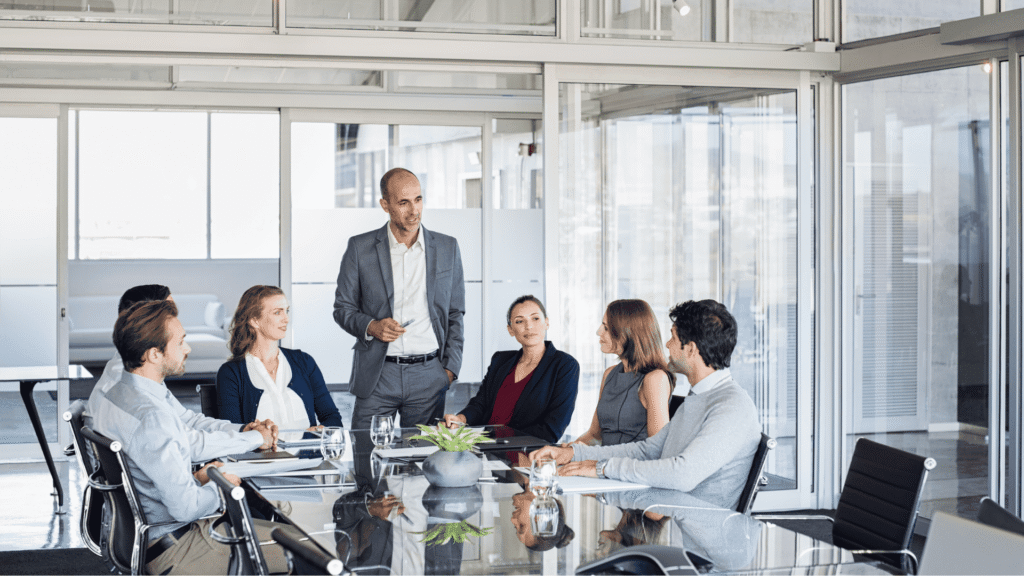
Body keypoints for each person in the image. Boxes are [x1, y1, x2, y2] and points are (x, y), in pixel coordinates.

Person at [88, 299, 287, 574]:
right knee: (304, 547)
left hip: (147, 539)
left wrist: (201, 476)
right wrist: (223, 486)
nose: (188, 348)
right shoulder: (152, 416)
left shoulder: (119, 394)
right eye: (181, 342)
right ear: (154, 354)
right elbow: (186, 508)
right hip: (180, 549)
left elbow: (158, 461)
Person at [529, 299, 761, 511]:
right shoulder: (698, 397)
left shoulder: (732, 405)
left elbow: (683, 474)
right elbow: (649, 449)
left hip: (699, 541)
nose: (667, 345)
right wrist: (574, 454)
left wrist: (602, 468)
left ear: (690, 349)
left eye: (673, 337)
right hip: (672, 516)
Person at [334, 167, 466, 429]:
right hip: (378, 373)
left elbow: (455, 313)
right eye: (403, 202)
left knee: (420, 462)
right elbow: (342, 308)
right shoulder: (360, 248)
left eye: (418, 199)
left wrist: (450, 369)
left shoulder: (447, 247)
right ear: (385, 205)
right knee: (365, 456)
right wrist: (372, 326)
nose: (414, 210)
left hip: (429, 374)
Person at [86, 284, 277, 452]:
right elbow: (187, 444)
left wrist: (244, 430)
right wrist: (254, 438)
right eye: (169, 313)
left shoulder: (138, 371)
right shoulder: (128, 383)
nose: (176, 321)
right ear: (146, 321)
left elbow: (187, 421)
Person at [442, 295, 579, 443]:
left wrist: (496, 439)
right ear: (511, 330)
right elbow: (480, 404)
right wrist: (459, 419)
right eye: (519, 321)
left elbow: (552, 429)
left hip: (526, 454)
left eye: (535, 318)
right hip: (484, 448)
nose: (529, 326)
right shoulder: (500, 361)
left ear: (546, 322)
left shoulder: (565, 365)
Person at [217, 285, 343, 432]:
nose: (286, 319)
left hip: (308, 454)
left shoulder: (304, 362)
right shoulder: (231, 373)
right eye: (277, 312)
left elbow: (333, 419)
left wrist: (316, 432)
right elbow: (232, 432)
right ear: (254, 321)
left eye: (286, 311)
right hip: (262, 455)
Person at [570, 299, 674, 446]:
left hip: (628, 466)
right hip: (601, 463)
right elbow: (594, 435)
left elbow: (656, 447)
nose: (598, 332)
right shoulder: (609, 374)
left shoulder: (656, 379)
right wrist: (567, 450)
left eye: (606, 328)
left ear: (628, 333)